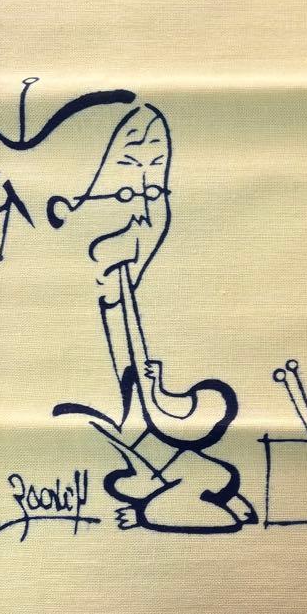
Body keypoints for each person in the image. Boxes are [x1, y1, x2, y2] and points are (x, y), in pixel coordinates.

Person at [48, 103, 255, 534]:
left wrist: (162, 395)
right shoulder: (60, 317)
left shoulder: (130, 298)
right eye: (124, 194)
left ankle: (171, 495)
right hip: (116, 452)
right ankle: (161, 504)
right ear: (64, 207)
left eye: (155, 192)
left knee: (205, 474)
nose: (143, 215)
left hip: (148, 451)